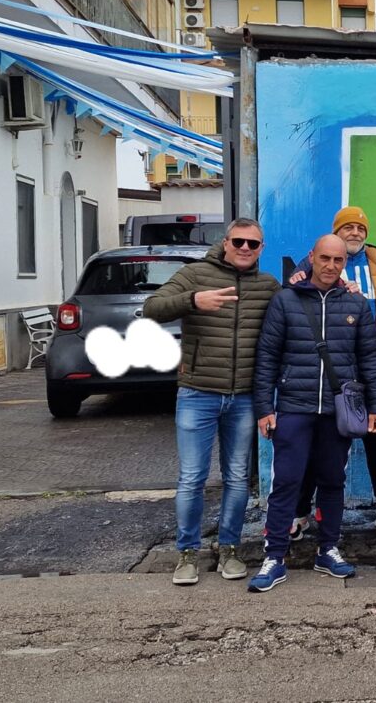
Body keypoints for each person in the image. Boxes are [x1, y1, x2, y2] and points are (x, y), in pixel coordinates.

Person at [248, 235, 376, 593]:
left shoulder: (356, 305)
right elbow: (267, 357)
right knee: (286, 483)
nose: (330, 266)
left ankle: (328, 549)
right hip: (294, 407)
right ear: (311, 257)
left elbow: (370, 360)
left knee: (332, 482)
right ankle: (275, 557)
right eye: (324, 258)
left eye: (337, 260)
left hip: (337, 411)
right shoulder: (285, 301)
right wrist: (265, 407)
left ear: (345, 263)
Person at [144, 217, 280, 586]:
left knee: (237, 477)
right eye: (239, 241)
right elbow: (152, 307)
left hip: (244, 398)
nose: (245, 249)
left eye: (253, 244)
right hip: (197, 394)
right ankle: (187, 553)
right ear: (226, 242)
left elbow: (294, 312)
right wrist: (192, 300)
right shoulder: (197, 275)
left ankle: (230, 549)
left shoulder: (267, 285)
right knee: (192, 478)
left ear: (261, 249)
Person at [288, 206, 376, 537]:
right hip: (332, 364)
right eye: (348, 227)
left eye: (360, 227)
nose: (355, 232)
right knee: (320, 440)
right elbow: (294, 289)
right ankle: (300, 512)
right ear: (336, 232)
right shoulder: (316, 260)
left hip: (375, 360)